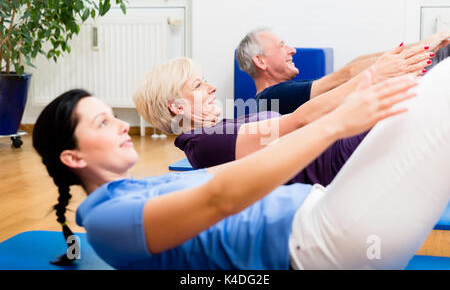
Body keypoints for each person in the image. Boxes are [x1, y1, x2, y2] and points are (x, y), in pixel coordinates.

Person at [32, 58, 450, 269]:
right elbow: (221, 198)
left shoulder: (136, 190)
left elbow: (226, 177)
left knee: (435, 90)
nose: (122, 125)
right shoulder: (106, 222)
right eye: (103, 122)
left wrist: (348, 111)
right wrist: (338, 122)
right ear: (74, 157)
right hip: (325, 239)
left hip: (329, 209)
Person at [133, 47, 430, 186]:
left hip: (345, 147)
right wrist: (375, 76)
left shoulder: (215, 132)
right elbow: (298, 122)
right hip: (343, 158)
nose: (211, 87)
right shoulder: (206, 142)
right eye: (198, 85)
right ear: (178, 108)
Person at [236, 28, 450, 114]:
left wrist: (423, 45)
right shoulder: (271, 98)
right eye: (282, 45)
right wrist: (426, 45)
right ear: (260, 62)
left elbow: (352, 67)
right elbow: (346, 76)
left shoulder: (286, 90)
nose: (292, 49)